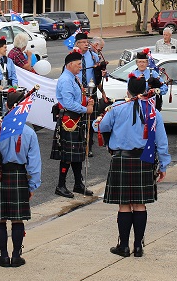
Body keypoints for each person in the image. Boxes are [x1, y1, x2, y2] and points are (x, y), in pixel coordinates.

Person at [93, 75, 170, 257]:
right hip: (144, 160)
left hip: (122, 159)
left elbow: (101, 127)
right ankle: (138, 246)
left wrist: (98, 121)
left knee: (124, 205)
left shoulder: (116, 108)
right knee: (140, 204)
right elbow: (162, 141)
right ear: (144, 90)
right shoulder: (153, 112)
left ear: (128, 90)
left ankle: (124, 246)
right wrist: (164, 165)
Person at [0, 90, 42, 268]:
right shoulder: (29, 133)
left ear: (7, 106)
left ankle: (3, 256)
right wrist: (32, 185)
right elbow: (34, 163)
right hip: (19, 176)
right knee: (17, 219)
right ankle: (16, 256)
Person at [53, 51, 95, 198]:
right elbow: (69, 103)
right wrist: (86, 109)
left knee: (77, 154)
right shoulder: (65, 80)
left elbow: (78, 97)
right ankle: (61, 185)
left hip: (76, 119)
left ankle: (78, 184)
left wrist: (87, 100)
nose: (80, 67)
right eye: (78, 65)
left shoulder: (74, 78)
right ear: (70, 64)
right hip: (69, 121)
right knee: (68, 155)